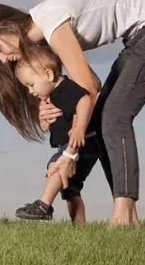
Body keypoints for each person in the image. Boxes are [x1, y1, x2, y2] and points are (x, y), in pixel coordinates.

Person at [0, 0, 145, 226]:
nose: (2, 60)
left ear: (9, 27)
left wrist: (69, 153)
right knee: (102, 121)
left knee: (114, 117)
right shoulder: (44, 38)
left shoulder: (51, 22)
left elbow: (87, 87)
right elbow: (92, 83)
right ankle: (127, 217)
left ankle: (123, 215)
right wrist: (48, 106)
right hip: (142, 35)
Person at [12, 45, 100, 225]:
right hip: (79, 144)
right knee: (70, 190)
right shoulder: (54, 95)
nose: (31, 91)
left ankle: (44, 205)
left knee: (56, 165)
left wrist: (78, 128)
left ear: (49, 75)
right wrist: (44, 122)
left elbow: (84, 100)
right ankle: (80, 227)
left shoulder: (64, 90)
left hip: (81, 143)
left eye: (31, 84)